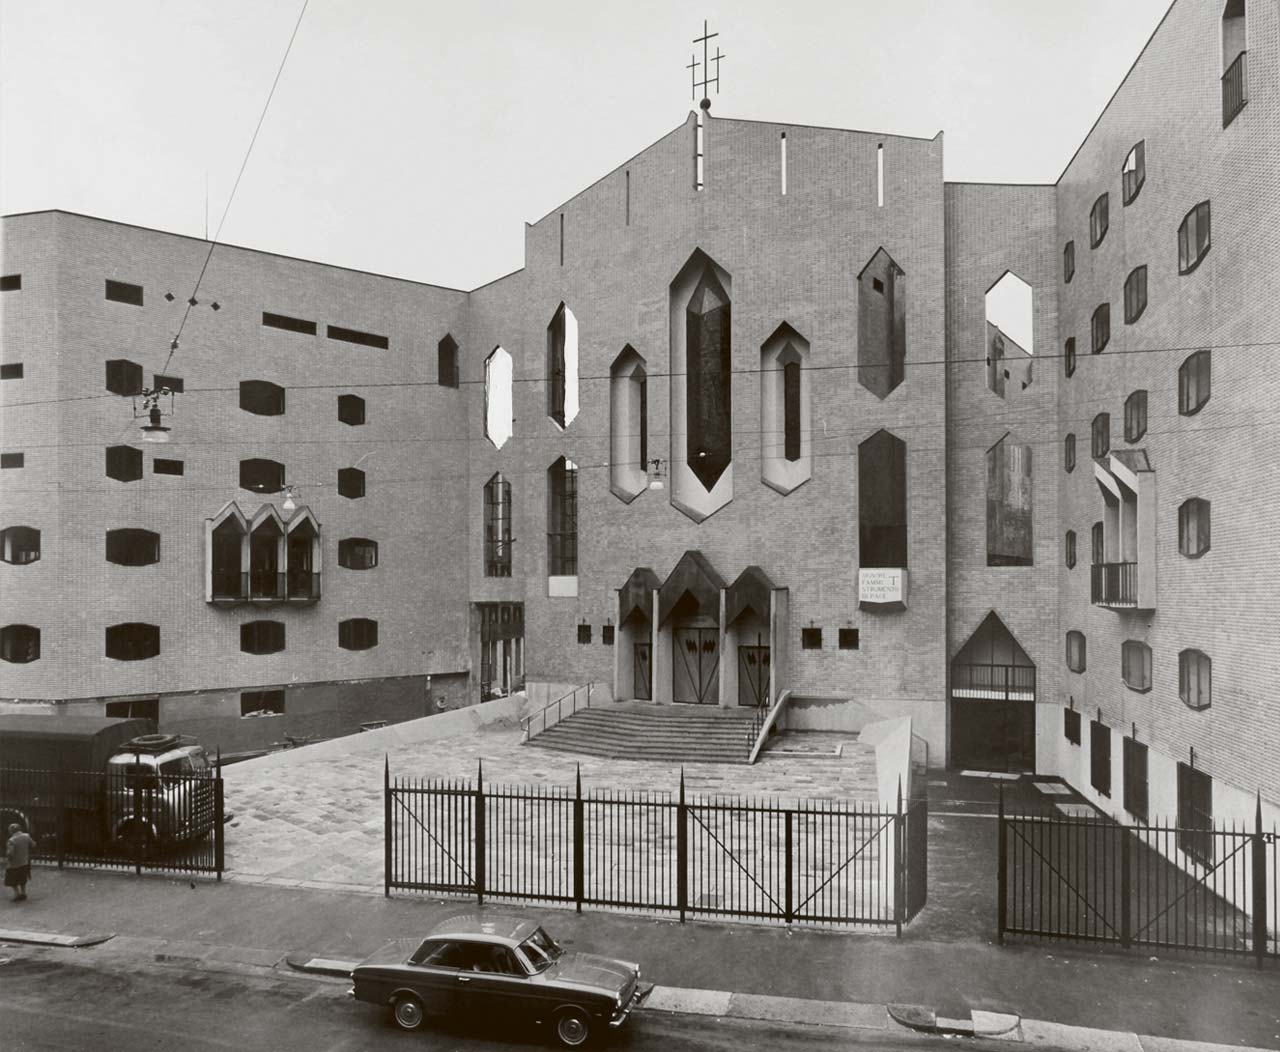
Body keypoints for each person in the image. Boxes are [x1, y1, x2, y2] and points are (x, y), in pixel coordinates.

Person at [5, 822, 36, 902]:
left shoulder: (11, 840)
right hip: (25, 861)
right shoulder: (27, 836)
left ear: (11, 831)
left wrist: (7, 856)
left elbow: (10, 853)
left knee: (12, 880)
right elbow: (33, 844)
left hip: (14, 864)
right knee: (23, 878)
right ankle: (23, 893)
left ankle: (17, 894)